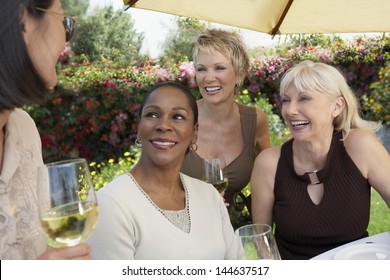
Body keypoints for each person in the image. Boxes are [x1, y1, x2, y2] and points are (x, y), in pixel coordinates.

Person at [251, 60, 390, 260]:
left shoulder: (361, 146)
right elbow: (261, 240)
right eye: (286, 100)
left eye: (304, 98)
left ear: (336, 106)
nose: (290, 110)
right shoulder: (268, 163)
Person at [87, 81, 243, 259]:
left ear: (194, 133)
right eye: (152, 115)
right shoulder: (110, 204)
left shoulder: (209, 196)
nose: (164, 125)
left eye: (177, 117)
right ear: (139, 128)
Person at [0, 0, 90, 259]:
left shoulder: (24, 130)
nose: (66, 39)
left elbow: (24, 247)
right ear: (24, 22)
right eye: (65, 22)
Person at [181, 28, 271, 207]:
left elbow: (272, 175)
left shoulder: (254, 121)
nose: (209, 78)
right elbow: (153, 182)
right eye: (201, 69)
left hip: (234, 230)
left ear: (239, 75)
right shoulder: (181, 117)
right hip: (183, 229)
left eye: (219, 68)